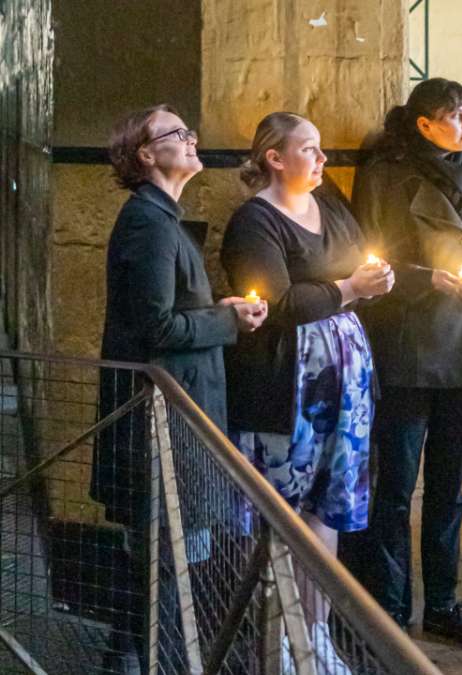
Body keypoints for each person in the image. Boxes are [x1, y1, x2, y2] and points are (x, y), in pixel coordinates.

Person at [93, 104, 267, 673]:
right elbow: (156, 328)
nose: (192, 138)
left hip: (177, 413)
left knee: (167, 560)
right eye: (176, 133)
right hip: (163, 422)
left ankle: (141, 659)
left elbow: (167, 311)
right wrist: (228, 323)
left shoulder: (161, 217)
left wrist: (216, 307)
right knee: (166, 565)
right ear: (146, 155)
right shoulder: (148, 221)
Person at [220, 111, 393, 672]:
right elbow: (280, 306)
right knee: (282, 514)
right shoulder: (253, 223)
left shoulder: (332, 201)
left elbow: (357, 255)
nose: (323, 159)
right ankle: (277, 644)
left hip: (344, 383)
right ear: (275, 157)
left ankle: (315, 636)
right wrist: (346, 287)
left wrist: (368, 283)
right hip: (284, 388)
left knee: (326, 504)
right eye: (311, 149)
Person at [343, 77, 462, 648]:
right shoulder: (386, 177)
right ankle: (389, 607)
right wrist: (424, 280)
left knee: (449, 487)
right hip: (409, 345)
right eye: (457, 116)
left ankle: (441, 603)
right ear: (425, 123)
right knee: (395, 484)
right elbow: (369, 256)